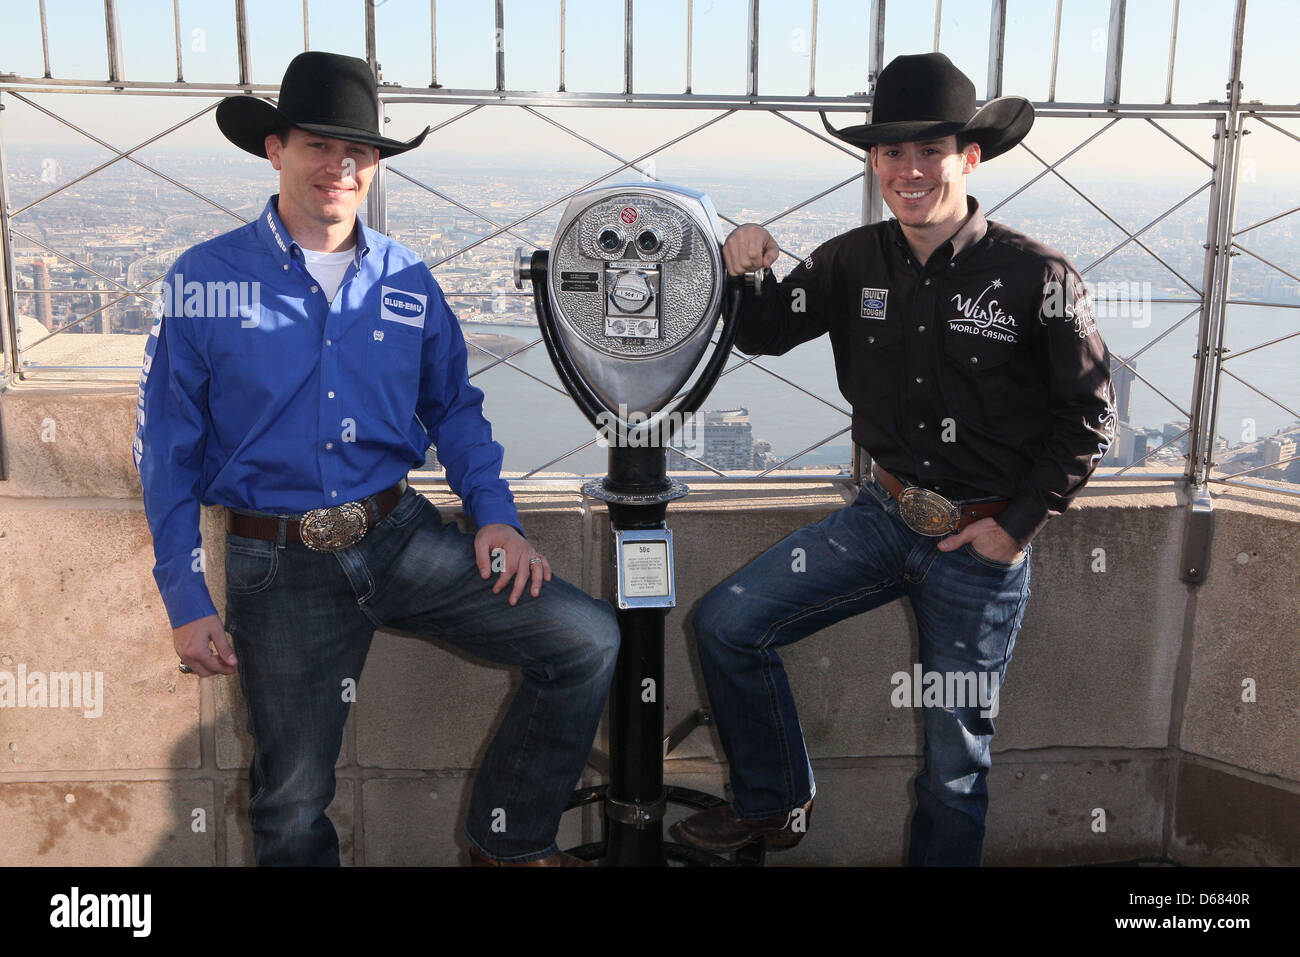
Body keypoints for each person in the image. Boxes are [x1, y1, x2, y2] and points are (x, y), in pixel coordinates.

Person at [133, 51, 619, 867]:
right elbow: (169, 450)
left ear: (376, 164)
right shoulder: (205, 279)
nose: (340, 165)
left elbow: (454, 408)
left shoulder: (408, 280)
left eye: (358, 150)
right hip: (277, 566)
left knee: (585, 639)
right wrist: (184, 596)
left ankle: (509, 841)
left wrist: (495, 516)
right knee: (290, 801)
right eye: (319, 144)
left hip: (401, 538)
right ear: (275, 149)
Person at [670, 52, 1116, 866]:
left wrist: (1012, 530)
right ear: (874, 163)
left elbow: (1089, 418)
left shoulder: (1036, 274)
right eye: (890, 153)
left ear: (969, 156)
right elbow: (769, 330)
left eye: (928, 150)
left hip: (978, 543)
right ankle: (775, 800)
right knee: (728, 623)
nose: (908, 170)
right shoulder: (852, 260)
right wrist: (742, 270)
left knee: (953, 768)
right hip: (883, 514)